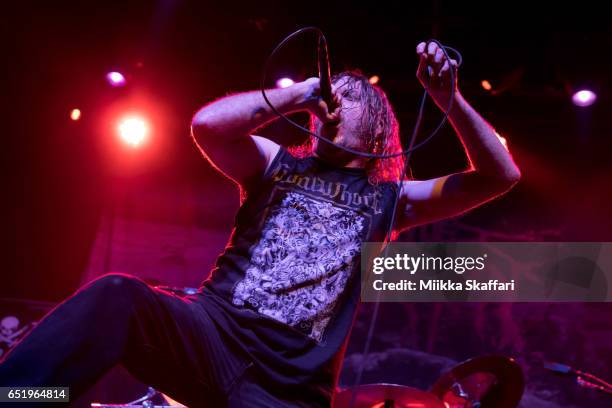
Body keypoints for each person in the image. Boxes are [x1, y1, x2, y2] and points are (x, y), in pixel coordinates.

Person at [0, 41, 520, 407]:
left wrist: (449, 99)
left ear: (378, 125)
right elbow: (206, 126)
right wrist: (298, 92)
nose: (333, 102)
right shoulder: (277, 161)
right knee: (116, 296)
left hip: (287, 390)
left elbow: (501, 175)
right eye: (330, 93)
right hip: (212, 337)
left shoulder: (391, 198)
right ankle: (20, 396)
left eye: (348, 96)